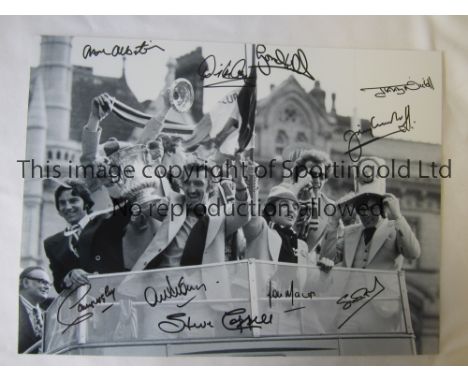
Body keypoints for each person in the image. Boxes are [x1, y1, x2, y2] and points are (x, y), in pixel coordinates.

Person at [129, 155, 251, 270]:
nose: (191, 189)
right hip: (162, 282)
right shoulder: (172, 202)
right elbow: (145, 205)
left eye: (198, 184)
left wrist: (240, 184)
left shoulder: (220, 217)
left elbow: (242, 215)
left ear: (210, 186)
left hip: (199, 286)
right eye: (187, 183)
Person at [320, 157, 421, 270]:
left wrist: (398, 216)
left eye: (374, 208)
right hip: (353, 288)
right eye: (362, 209)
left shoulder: (395, 230)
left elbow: (413, 254)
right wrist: (334, 220)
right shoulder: (349, 233)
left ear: (383, 208)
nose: (367, 214)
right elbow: (326, 259)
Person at [43, 180, 129, 292]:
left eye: (73, 201)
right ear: (59, 210)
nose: (68, 207)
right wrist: (70, 276)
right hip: (82, 304)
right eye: (62, 203)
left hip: (114, 296)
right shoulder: (52, 243)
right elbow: (59, 285)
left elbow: (126, 210)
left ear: (86, 203)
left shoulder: (105, 224)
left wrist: (109, 183)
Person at [243, 162, 314, 264]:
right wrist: (252, 179)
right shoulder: (261, 232)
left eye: (295, 207)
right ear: (270, 211)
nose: (291, 210)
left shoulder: (302, 246)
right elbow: (252, 213)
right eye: (284, 205)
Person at [288, 149, 335, 256]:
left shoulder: (330, 208)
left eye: (321, 176)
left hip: (306, 267)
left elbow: (335, 243)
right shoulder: (287, 195)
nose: (317, 180)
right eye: (313, 174)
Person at [18, 266, 52, 353]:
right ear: (26, 282)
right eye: (43, 282)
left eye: (49, 284)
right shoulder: (10, 309)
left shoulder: (47, 316)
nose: (47, 287)